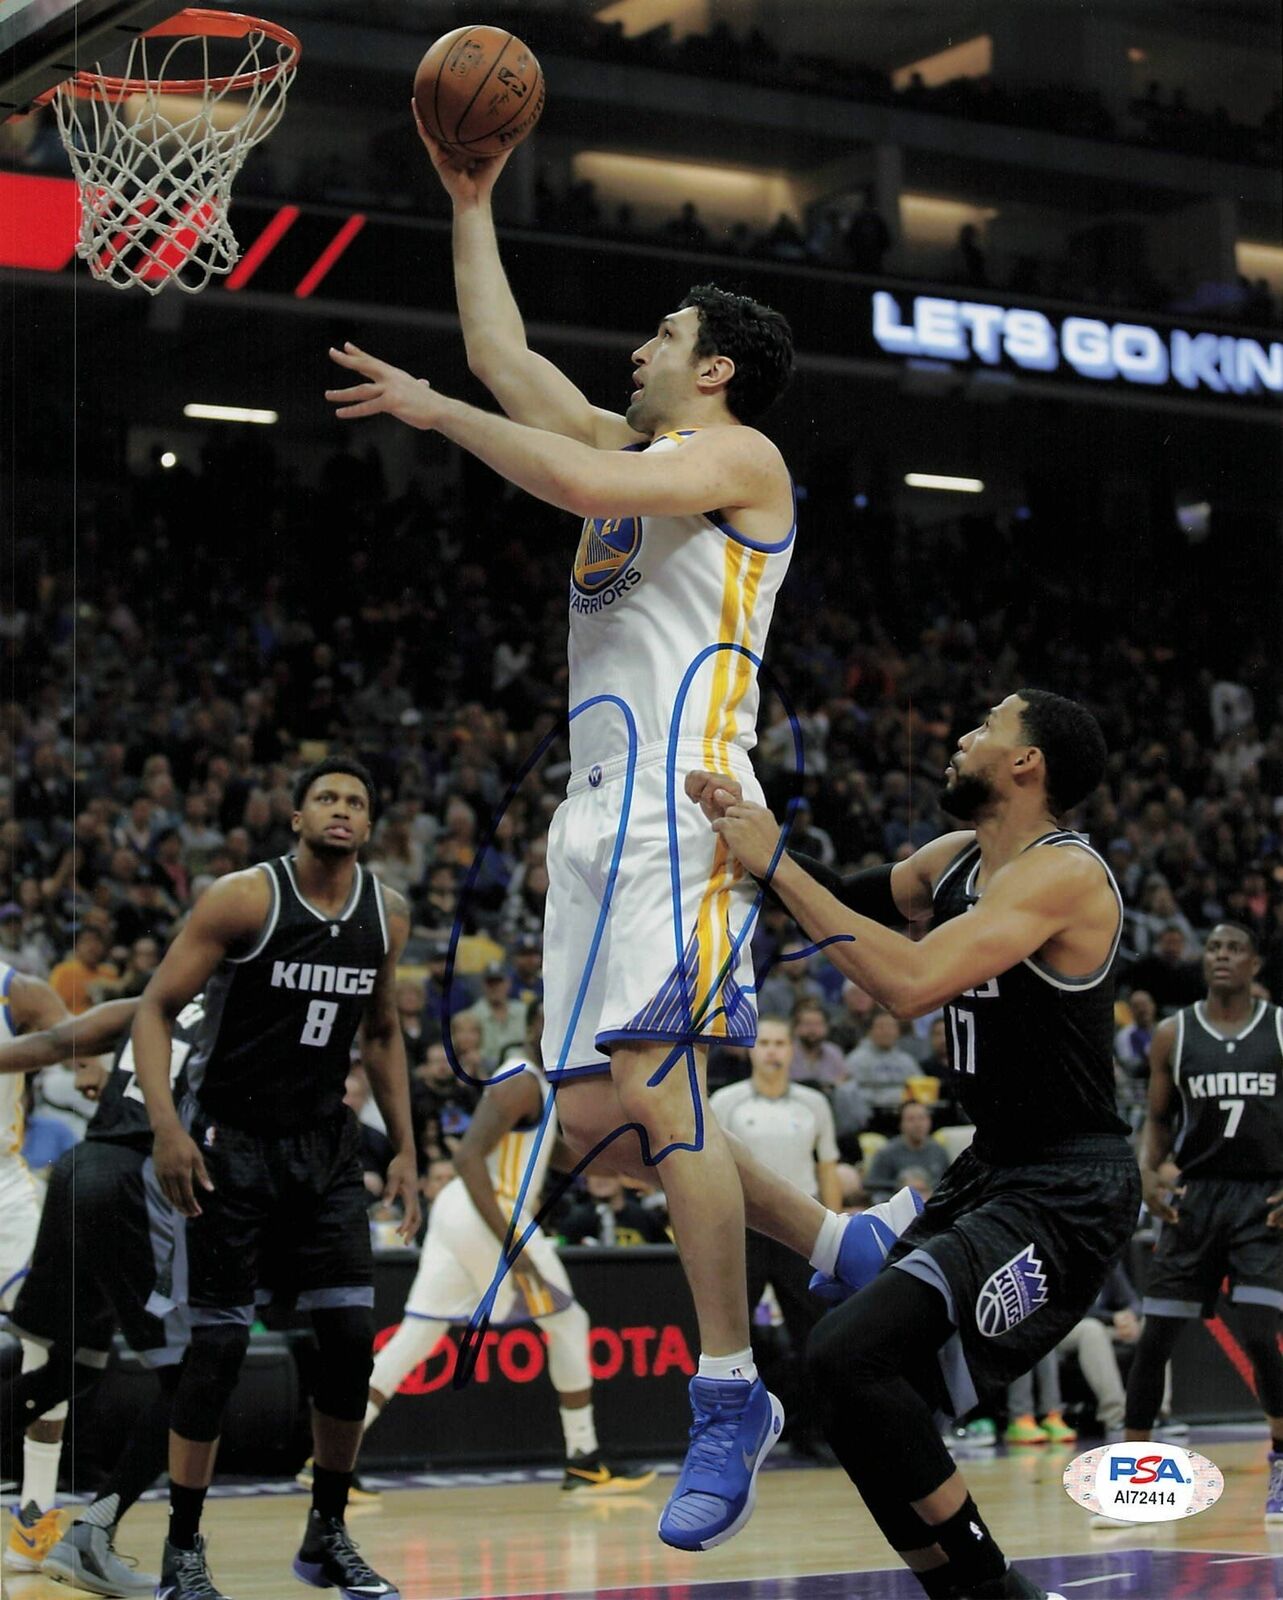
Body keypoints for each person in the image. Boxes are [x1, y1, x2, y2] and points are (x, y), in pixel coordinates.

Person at [325, 117, 797, 1554]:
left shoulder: (737, 455)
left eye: (660, 333)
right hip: (587, 832)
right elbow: (502, 360)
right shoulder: (637, 436)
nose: (635, 352)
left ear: (708, 363)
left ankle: (730, 1397)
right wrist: (468, 200)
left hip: (685, 809)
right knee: (598, 1140)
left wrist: (433, 421)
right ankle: (834, 1243)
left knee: (661, 1093)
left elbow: (572, 474)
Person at [698, 689, 1136, 1600]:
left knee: (845, 1355)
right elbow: (835, 890)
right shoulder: (952, 862)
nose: (963, 734)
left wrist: (772, 864)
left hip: (1066, 1185)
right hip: (989, 1171)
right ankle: (967, 1589)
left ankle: (993, 1587)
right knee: (848, 1383)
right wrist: (737, 843)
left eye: (986, 727)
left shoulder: (1066, 875)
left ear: (1027, 765)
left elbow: (908, 980)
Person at [132, 757, 421, 1600]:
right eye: (326, 797)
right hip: (232, 1142)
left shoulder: (385, 916)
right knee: (217, 1350)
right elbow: (153, 1007)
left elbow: (382, 1032)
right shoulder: (243, 898)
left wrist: (403, 1146)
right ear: (296, 816)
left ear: (369, 825)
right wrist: (167, 1127)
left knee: (346, 1345)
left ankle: (326, 1536)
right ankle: (181, 1550)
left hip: (326, 1148)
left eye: (356, 801)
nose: (341, 809)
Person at [358, 999, 654, 1495]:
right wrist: (514, 1248)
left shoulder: (536, 1084)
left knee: (418, 1336)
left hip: (461, 1216)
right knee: (568, 1320)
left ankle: (326, 1461)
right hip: (486, 1211)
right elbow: (469, 1157)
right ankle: (583, 1457)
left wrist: (623, 1169)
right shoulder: (518, 1078)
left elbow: (549, 1152)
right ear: (544, 1027)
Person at [1, 997, 195, 1594]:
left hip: (73, 1176)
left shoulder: (158, 998)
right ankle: (94, 1534)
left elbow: (54, 1041)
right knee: (194, 1379)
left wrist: (90, 1063)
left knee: (71, 1366)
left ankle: (55, 1526)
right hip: (138, 1189)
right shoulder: (256, 1010)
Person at [1123, 922, 1283, 1521]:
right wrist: (1148, 1172)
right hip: (1195, 1199)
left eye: (1234, 948)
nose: (1221, 956)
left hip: (1260, 1200)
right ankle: (1131, 1484)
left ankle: (1282, 1463)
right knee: (1154, 1338)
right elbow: (1159, 1120)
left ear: (1254, 964)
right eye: (1213, 947)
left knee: (1263, 1335)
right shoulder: (1174, 1033)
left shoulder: (1279, 1029)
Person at [711, 1016, 841, 1457]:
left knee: (815, 1334)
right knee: (731, 1334)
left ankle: (815, 1433)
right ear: (751, 1049)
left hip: (800, 1229)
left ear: (791, 1050)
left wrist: (834, 1225)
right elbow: (708, 1169)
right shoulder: (725, 1101)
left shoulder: (814, 1104)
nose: (771, 1050)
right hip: (741, 1227)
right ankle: (729, 1436)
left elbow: (828, 1167)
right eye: (763, 1042)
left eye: (779, 1043)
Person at [0, 961, 69, 1570]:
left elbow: (72, 1035)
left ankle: (34, 1512)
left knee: (48, 1339)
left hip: (5, 1193)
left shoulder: (12, 988)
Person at [865, 1101, 951, 1202]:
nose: (918, 1124)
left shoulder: (939, 1152)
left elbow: (949, 1184)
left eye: (922, 1118)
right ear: (901, 1124)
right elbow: (873, 1186)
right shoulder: (887, 1153)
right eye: (911, 1119)